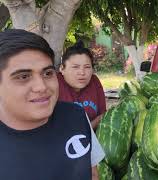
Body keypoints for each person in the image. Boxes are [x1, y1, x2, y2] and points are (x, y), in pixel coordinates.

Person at [0, 29, 104, 180]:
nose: (41, 86)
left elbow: (92, 173)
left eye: (47, 73)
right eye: (23, 76)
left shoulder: (77, 116)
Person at [58, 41, 106, 130]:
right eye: (75, 67)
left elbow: (102, 116)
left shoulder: (94, 81)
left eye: (87, 67)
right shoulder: (55, 84)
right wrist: (87, 129)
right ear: (62, 69)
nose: (82, 72)